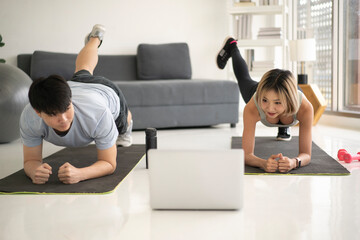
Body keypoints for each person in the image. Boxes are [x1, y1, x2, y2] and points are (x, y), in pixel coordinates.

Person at [20, 24, 133, 184]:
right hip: (78, 88)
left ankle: (95, 39)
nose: (64, 119)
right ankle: (93, 39)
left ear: (70, 100)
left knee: (122, 130)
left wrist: (81, 173)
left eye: (67, 109)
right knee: (83, 68)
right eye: (53, 114)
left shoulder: (99, 113)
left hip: (106, 92)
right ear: (38, 112)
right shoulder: (29, 117)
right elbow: (30, 161)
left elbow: (109, 163)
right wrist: (34, 171)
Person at [216, 37, 314, 173]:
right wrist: (263, 163)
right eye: (265, 101)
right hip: (261, 89)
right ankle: (232, 46)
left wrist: (294, 162)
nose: (269, 108)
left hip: (287, 98)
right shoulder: (253, 106)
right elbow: (246, 155)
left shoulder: (305, 108)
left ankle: (283, 127)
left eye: (277, 103)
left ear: (289, 101)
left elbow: (306, 155)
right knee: (243, 78)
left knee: (282, 113)